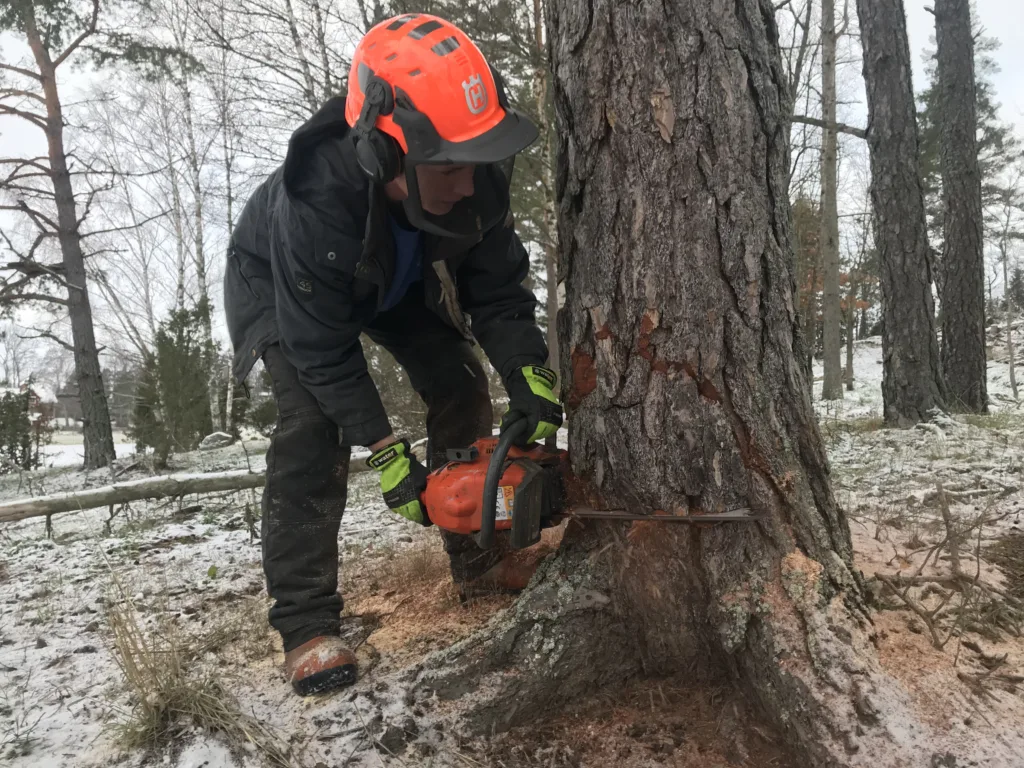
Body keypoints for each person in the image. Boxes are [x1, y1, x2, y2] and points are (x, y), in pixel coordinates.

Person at [223, 13, 563, 697]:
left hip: (389, 276)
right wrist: (385, 452)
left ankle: (478, 558)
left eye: (479, 160)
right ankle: (306, 623)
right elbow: (321, 350)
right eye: (450, 166)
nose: (470, 183)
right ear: (386, 151)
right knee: (311, 425)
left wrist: (532, 378)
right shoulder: (314, 205)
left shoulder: (473, 177)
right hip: (284, 287)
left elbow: (496, 290)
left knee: (457, 376)